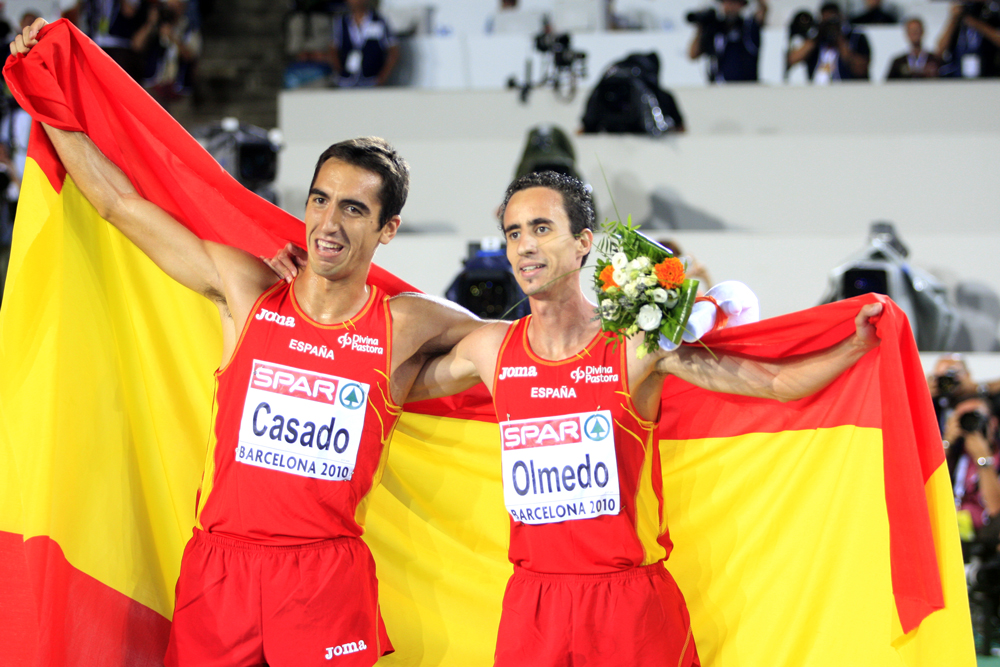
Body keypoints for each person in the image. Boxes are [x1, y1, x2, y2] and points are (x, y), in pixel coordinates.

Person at [11, 19, 486, 666]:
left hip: (323, 581)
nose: (329, 222)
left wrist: (640, 322)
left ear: (389, 228)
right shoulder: (247, 288)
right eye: (321, 200)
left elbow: (519, 350)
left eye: (354, 209)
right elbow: (120, 205)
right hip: (220, 574)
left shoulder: (405, 323)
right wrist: (46, 96)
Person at [407, 170, 882, 665]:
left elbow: (774, 383)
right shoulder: (491, 349)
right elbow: (389, 388)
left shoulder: (635, 346)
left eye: (542, 228)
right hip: (534, 608)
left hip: (628, 609)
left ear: (582, 243)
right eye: (514, 232)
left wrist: (854, 345)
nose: (525, 245)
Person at [787, 1, 871, 82]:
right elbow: (792, 59)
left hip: (845, 89)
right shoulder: (815, 40)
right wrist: (817, 35)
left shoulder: (854, 37)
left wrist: (839, 39)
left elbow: (861, 69)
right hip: (817, 90)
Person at [687, 0, 768, 82]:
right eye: (726, 3)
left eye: (733, 3)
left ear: (741, 6)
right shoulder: (716, 29)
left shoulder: (748, 29)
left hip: (744, 89)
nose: (730, 7)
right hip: (717, 89)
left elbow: (763, 10)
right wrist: (701, 27)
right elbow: (693, 54)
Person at [330, 0, 399, 87]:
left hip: (371, 80)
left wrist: (382, 77)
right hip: (346, 81)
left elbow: (393, 51)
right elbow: (333, 49)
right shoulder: (340, 22)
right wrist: (339, 70)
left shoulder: (379, 21)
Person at [936, 0, 1000, 79]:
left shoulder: (990, 16)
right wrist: (954, 19)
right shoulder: (957, 22)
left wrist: (974, 22)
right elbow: (941, 47)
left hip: (986, 72)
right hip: (959, 73)